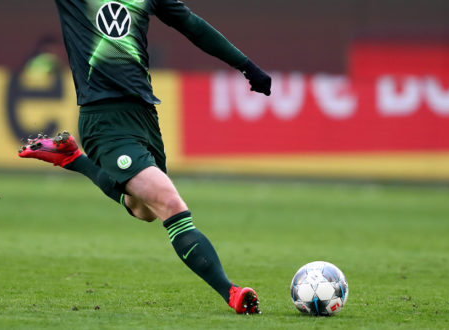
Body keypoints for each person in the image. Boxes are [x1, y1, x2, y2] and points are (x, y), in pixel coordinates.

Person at [19, 0, 271, 314]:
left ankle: (73, 158)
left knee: (144, 210)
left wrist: (247, 66)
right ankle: (231, 292)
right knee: (170, 204)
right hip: (104, 120)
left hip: (144, 117)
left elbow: (192, 26)